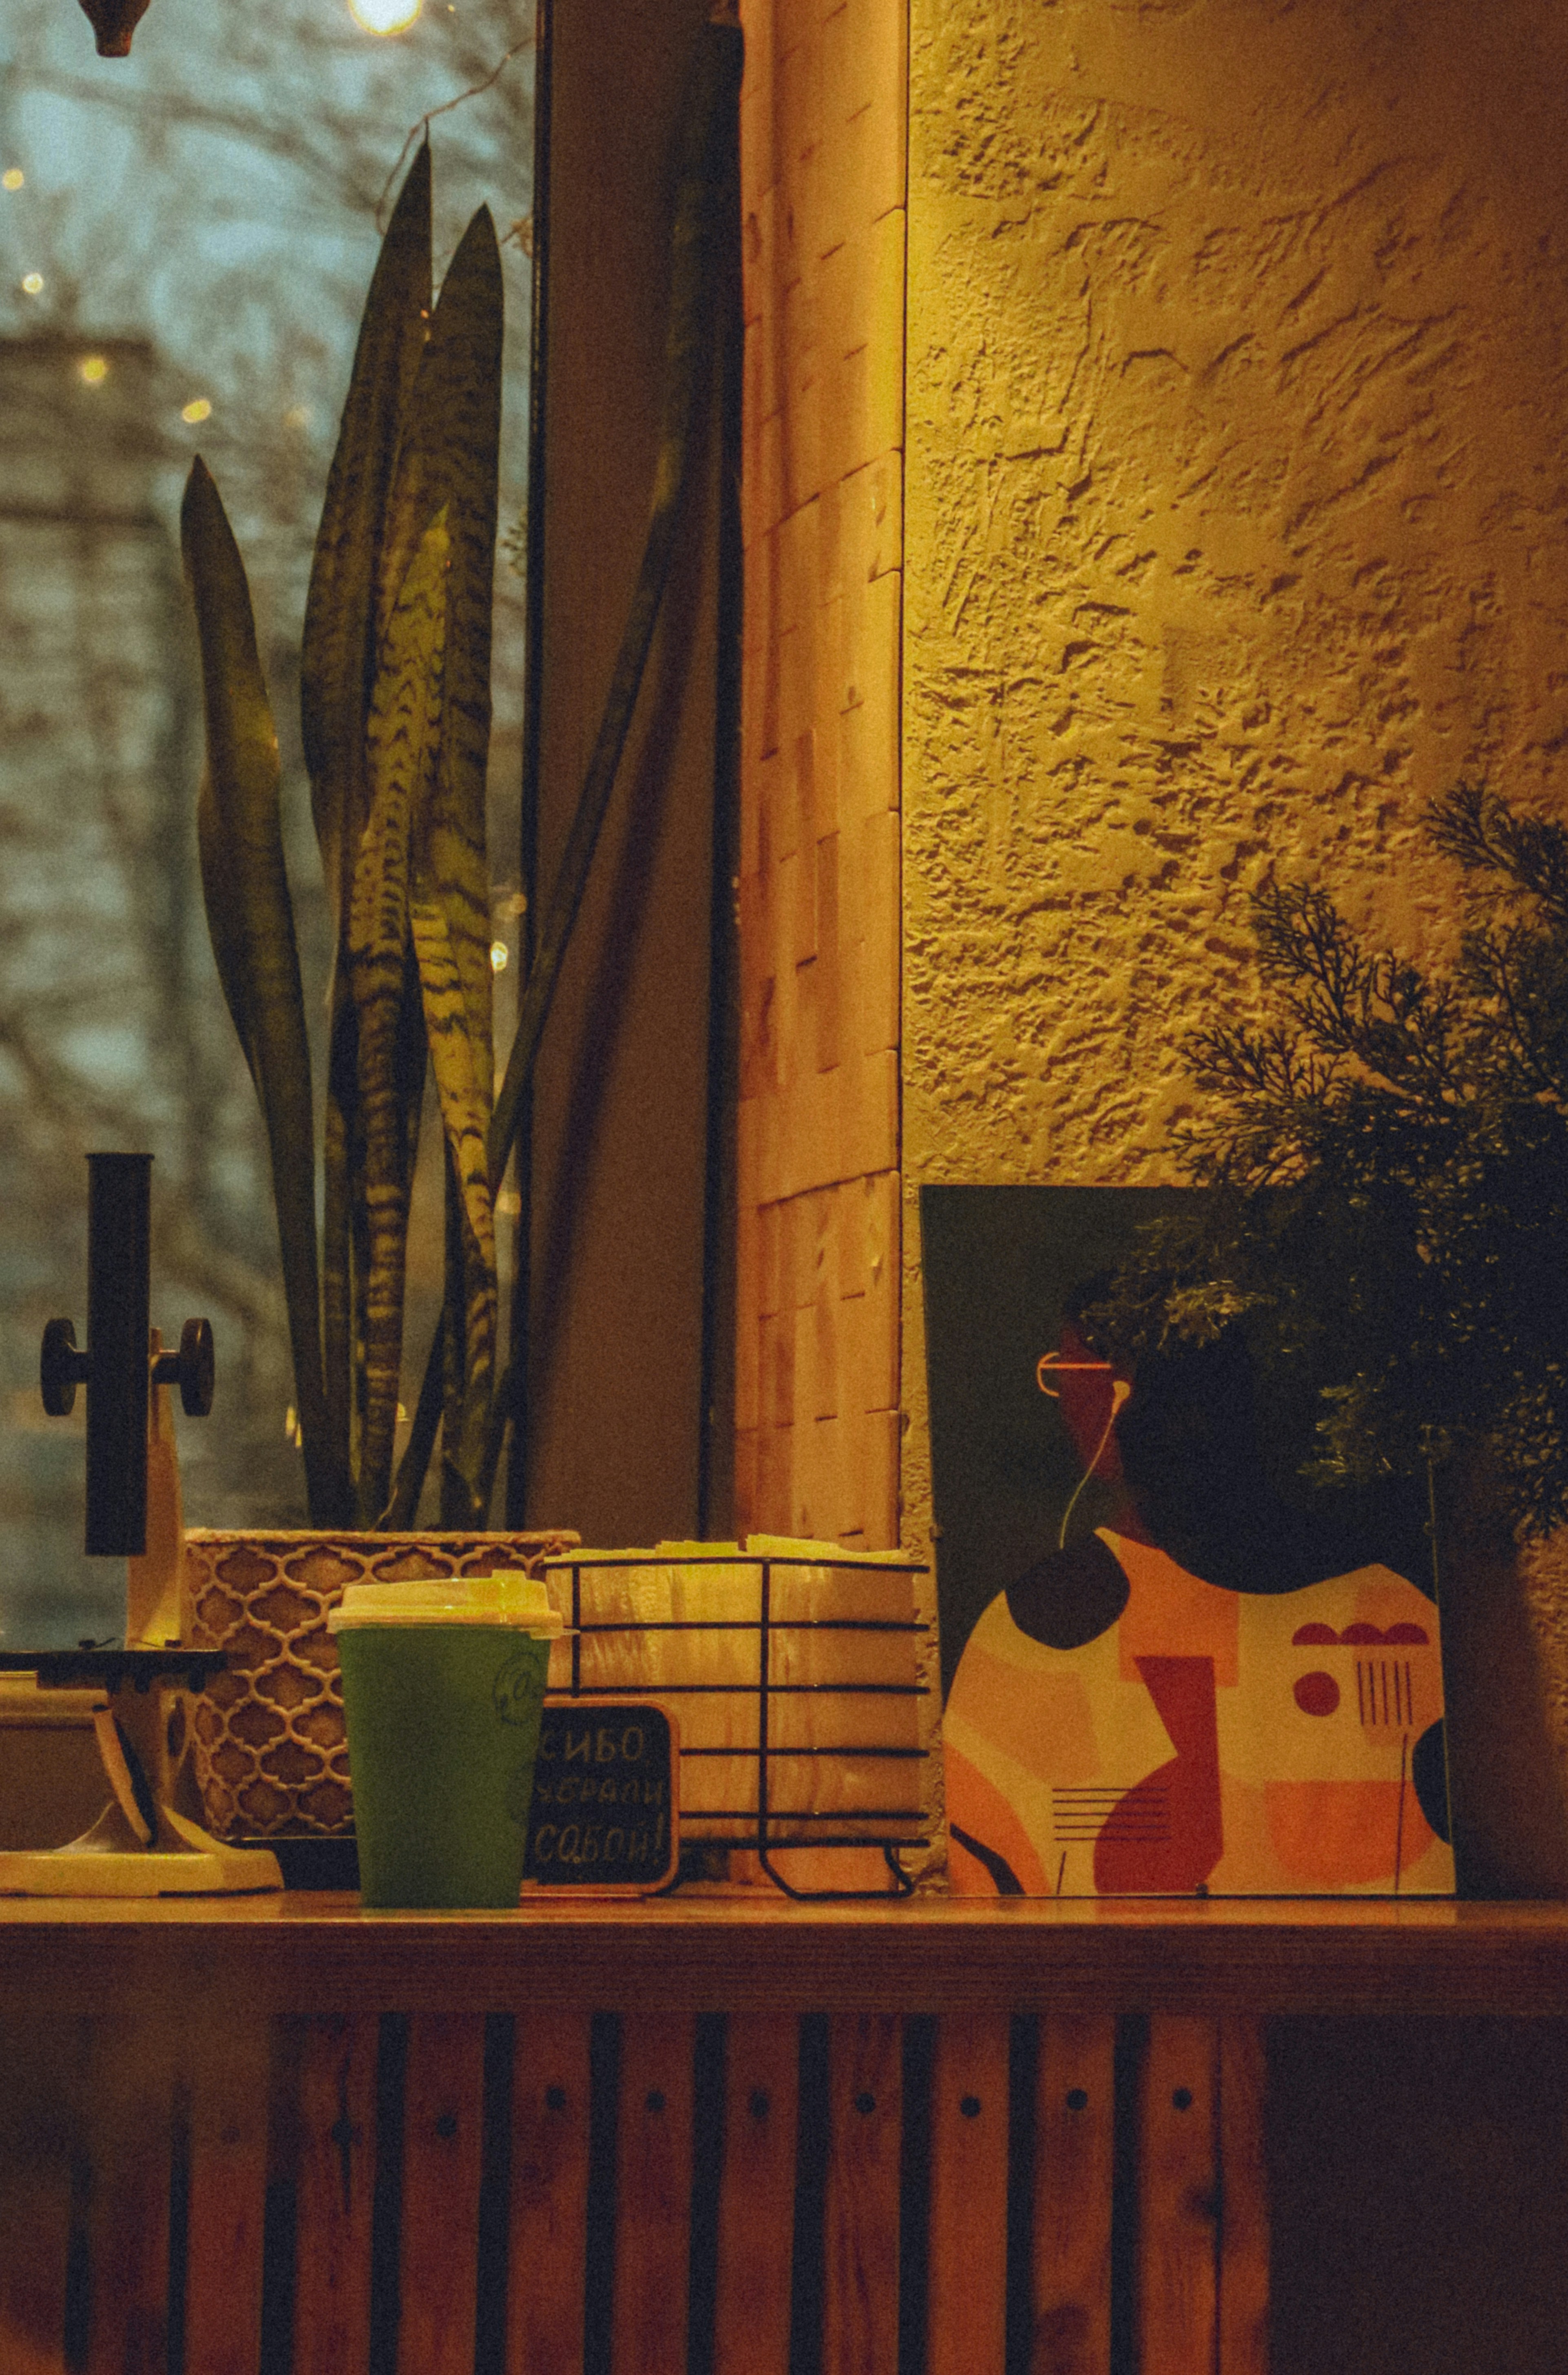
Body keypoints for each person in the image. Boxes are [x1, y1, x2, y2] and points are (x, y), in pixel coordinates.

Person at [944, 1313, 1453, 1897]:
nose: (1109, 1406)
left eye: (1108, 1379)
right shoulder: (1022, 1630)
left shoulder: (1384, 1611)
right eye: (1075, 1377)